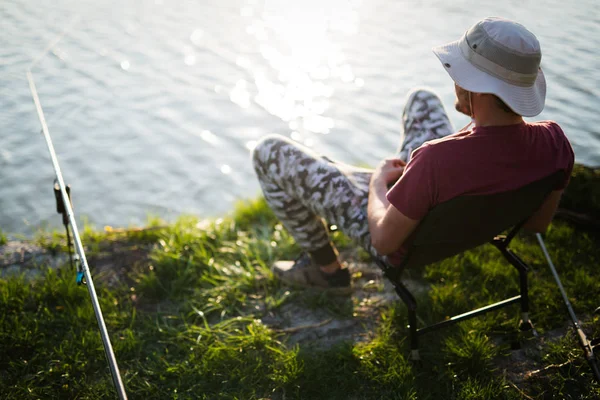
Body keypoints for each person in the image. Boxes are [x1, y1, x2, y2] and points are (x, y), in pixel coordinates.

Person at [251, 17, 574, 295]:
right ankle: (356, 179)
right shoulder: (555, 142)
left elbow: (383, 243)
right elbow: (537, 223)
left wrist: (378, 183)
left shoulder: (435, 159)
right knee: (423, 99)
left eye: (457, 73)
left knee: (269, 152)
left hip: (400, 240)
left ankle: (329, 274)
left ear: (474, 86)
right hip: (446, 228)